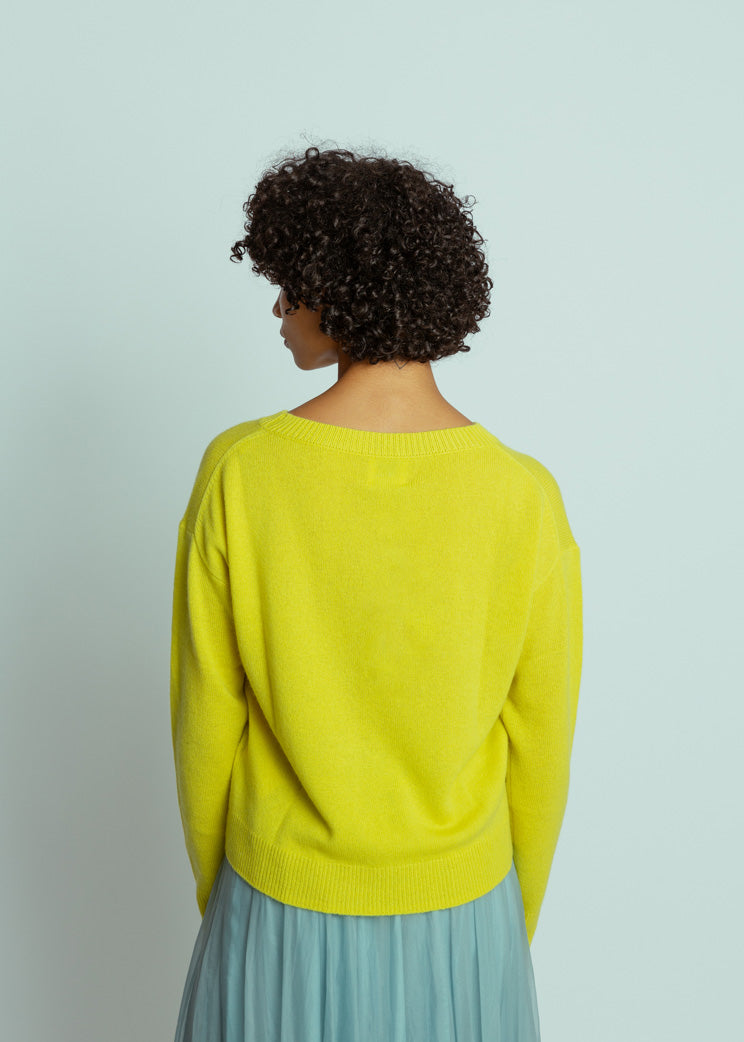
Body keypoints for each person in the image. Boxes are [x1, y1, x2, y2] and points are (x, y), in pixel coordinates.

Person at [170, 145, 583, 1041]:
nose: (278, 309)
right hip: (466, 915)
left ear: (337, 289)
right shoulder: (523, 494)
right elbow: (541, 742)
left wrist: (228, 904)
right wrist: (499, 929)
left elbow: (207, 719)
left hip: (275, 905)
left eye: (289, 284)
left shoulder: (241, 472)